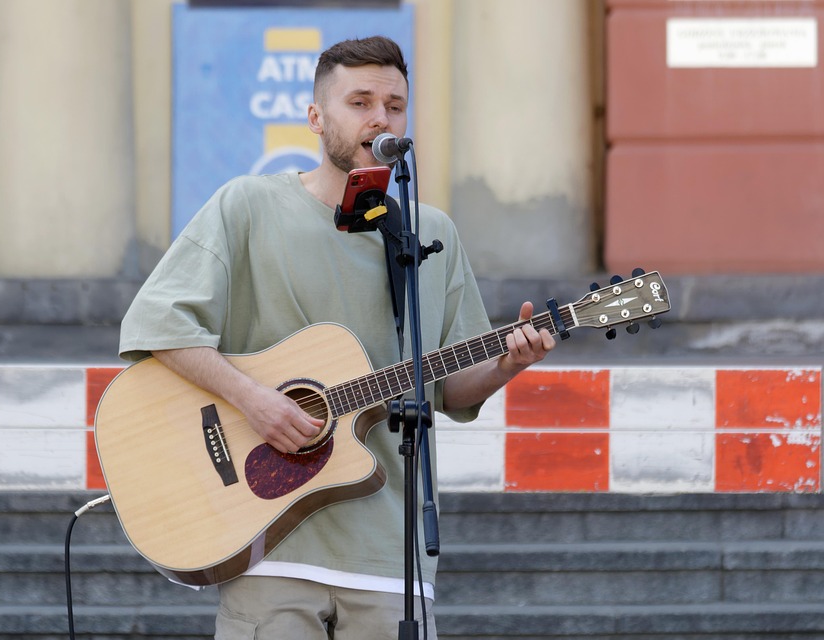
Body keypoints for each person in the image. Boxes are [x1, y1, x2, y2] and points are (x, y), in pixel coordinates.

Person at [119, 35, 555, 640]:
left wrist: (510, 363)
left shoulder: (430, 233)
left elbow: (450, 390)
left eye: (395, 106)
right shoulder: (248, 206)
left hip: (389, 558)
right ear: (316, 117)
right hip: (269, 543)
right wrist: (256, 401)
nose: (380, 117)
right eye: (360, 102)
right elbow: (158, 326)